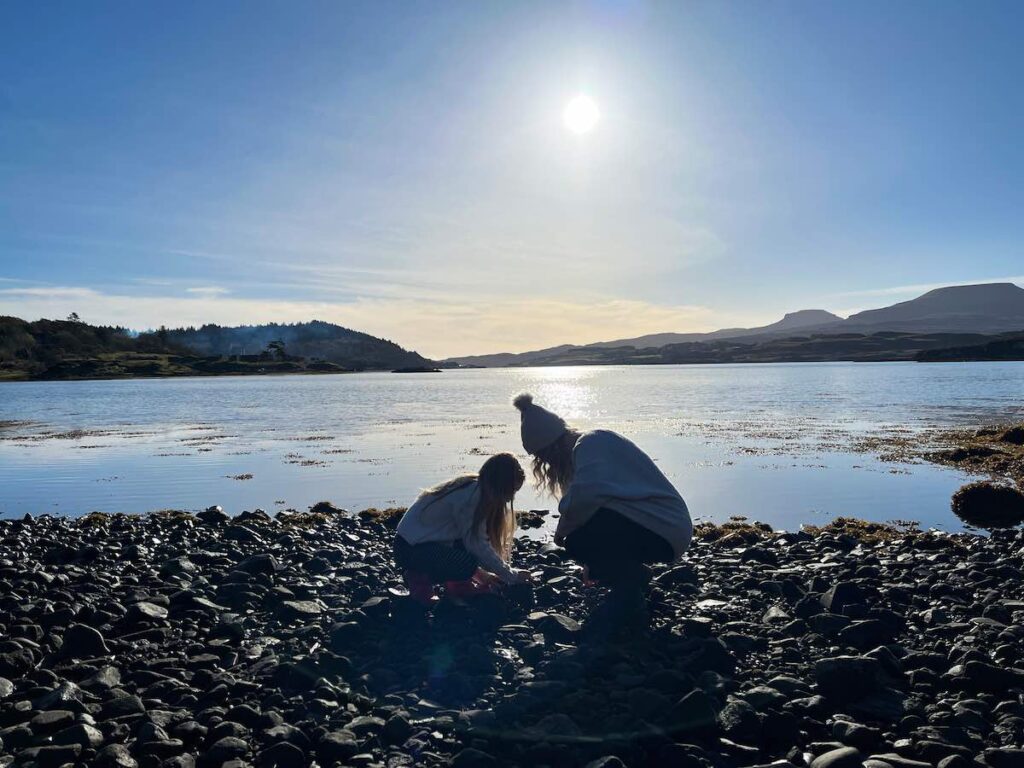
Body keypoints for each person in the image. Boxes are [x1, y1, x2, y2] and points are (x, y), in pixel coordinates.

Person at [513, 393, 692, 630]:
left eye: (544, 456)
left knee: (577, 540)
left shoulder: (592, 443)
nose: (546, 464)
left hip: (665, 529)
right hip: (659, 528)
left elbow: (586, 496)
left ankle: (630, 589)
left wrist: (563, 531)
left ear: (553, 446)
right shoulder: (589, 448)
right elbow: (589, 501)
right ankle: (632, 576)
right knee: (583, 539)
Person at [395, 452, 530, 603]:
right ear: (501, 484)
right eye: (511, 491)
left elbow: (464, 541)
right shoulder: (472, 497)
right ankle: (419, 579)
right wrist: (511, 575)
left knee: (464, 550)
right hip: (409, 549)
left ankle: (458, 585)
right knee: (466, 563)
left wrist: (484, 575)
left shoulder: (473, 486)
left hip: (416, 544)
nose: (510, 498)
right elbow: (476, 544)